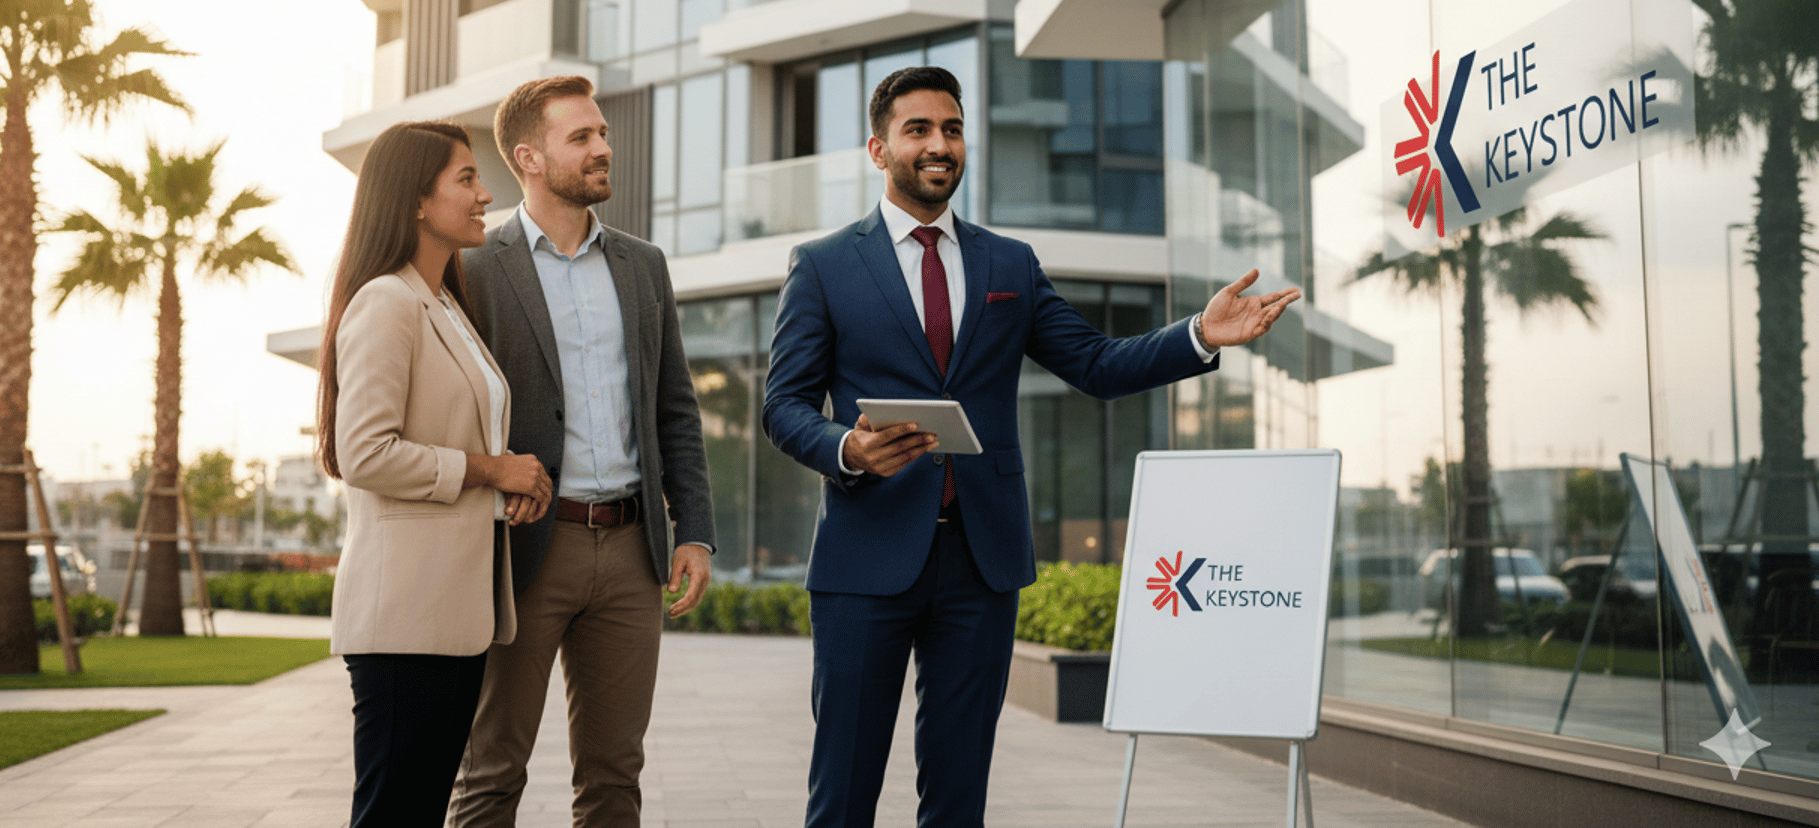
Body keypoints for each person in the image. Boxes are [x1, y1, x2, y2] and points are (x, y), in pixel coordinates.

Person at [764, 67, 1300, 828]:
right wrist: (846, 448)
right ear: (879, 150)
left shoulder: (1008, 263)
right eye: (919, 130)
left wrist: (1199, 336)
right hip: (864, 556)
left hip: (980, 560)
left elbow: (1096, 364)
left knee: (959, 795)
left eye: (952, 129)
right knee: (843, 791)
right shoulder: (822, 265)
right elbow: (782, 406)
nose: (940, 144)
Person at [449, 75, 716, 828]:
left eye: (602, 133)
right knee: (491, 769)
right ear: (528, 158)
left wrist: (693, 530)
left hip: (632, 553)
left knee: (614, 777)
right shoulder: (475, 266)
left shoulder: (643, 264)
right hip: (524, 547)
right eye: (582, 137)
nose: (603, 147)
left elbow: (675, 407)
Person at [319, 119, 556, 828]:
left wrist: (511, 488)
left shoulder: (444, 304)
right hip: (403, 620)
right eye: (467, 178)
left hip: (449, 618)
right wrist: (491, 470)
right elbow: (364, 453)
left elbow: (447, 440)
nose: (486, 195)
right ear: (417, 200)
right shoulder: (386, 301)